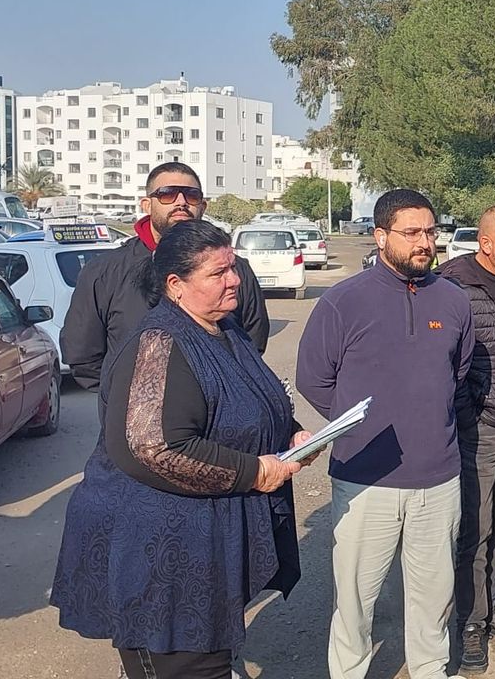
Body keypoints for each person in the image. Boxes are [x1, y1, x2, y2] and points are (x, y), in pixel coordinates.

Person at [51, 220, 311, 678]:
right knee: (186, 665)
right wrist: (254, 471)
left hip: (203, 545)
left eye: (233, 267)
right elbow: (153, 448)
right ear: (175, 285)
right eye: (218, 273)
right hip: (159, 555)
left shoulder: (225, 329)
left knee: (210, 657)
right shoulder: (159, 344)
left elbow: (248, 400)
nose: (234, 280)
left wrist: (289, 433)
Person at [297, 189, 473, 679]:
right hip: (364, 478)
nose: (425, 242)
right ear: (380, 236)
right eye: (411, 232)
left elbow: (457, 374)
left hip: (438, 478)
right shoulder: (342, 302)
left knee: (434, 596)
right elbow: (313, 378)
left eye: (430, 231)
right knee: (355, 600)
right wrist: (363, 426)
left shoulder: (454, 301)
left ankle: (430, 669)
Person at [62, 162, 269, 391]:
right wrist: (128, 395)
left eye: (191, 195)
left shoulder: (235, 270)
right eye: (167, 194)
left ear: (203, 206)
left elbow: (252, 343)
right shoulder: (105, 271)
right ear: (147, 205)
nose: (181, 202)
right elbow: (82, 354)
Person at [437, 204, 495, 672]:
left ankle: (490, 609)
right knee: (475, 530)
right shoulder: (453, 286)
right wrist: (468, 411)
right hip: (480, 428)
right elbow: (443, 360)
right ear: (486, 243)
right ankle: (470, 623)